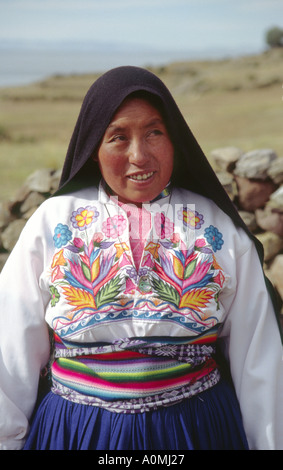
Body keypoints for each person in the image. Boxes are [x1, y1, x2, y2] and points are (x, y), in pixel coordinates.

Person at [0, 66, 282, 451]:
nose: (139, 155)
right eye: (118, 137)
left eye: (154, 132)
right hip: (77, 434)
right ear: (93, 150)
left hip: (195, 431)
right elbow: (10, 351)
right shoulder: (52, 223)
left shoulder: (216, 228)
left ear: (174, 140)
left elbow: (259, 357)